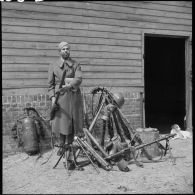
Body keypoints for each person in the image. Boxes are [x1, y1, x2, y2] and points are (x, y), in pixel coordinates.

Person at [48, 41, 83, 167]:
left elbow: (78, 79)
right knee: (63, 126)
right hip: (60, 99)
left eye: (68, 49)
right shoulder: (53, 65)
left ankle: (69, 156)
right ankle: (63, 149)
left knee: (72, 126)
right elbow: (50, 85)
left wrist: (68, 85)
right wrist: (52, 98)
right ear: (59, 51)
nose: (66, 51)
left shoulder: (75, 64)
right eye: (63, 49)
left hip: (73, 98)